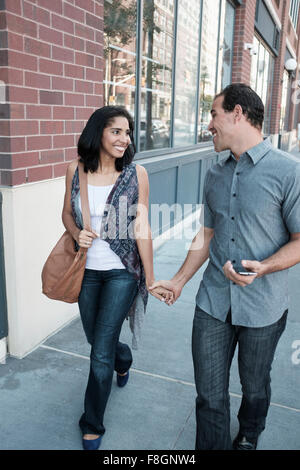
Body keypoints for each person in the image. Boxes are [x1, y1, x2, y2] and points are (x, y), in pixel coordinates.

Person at [150, 83, 300, 450]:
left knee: (254, 386)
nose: (209, 124)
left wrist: (263, 267)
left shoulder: (288, 172)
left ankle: (249, 434)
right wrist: (181, 280)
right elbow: (207, 233)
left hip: (263, 307)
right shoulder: (215, 173)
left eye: (214, 114)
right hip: (213, 303)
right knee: (209, 395)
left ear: (237, 113)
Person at [62, 106, 172, 450]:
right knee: (99, 340)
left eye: (127, 133)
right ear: (98, 133)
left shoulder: (136, 173)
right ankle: (123, 358)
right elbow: (67, 213)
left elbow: (141, 226)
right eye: (116, 132)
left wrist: (150, 278)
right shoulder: (75, 170)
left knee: (99, 352)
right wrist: (75, 230)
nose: (125, 139)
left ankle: (91, 422)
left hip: (122, 273)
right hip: (86, 271)